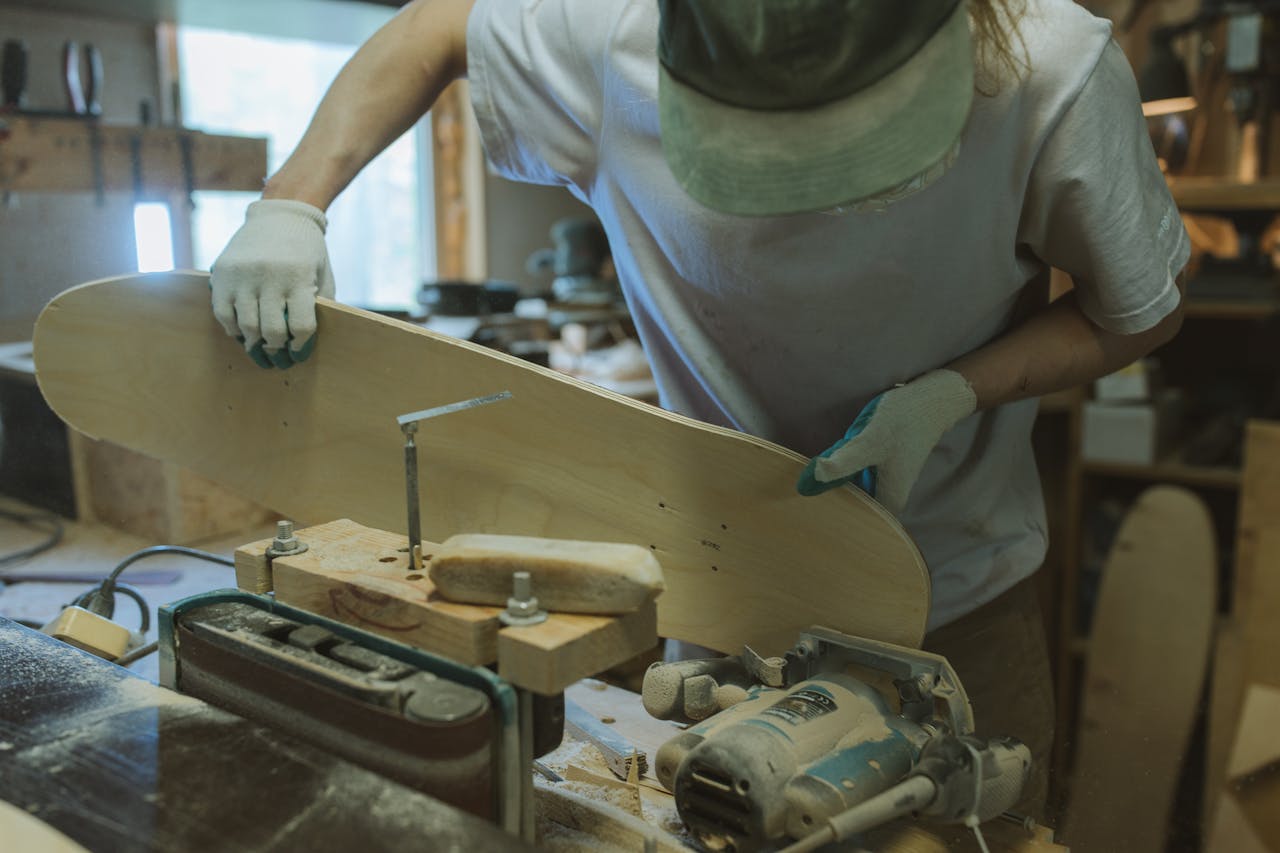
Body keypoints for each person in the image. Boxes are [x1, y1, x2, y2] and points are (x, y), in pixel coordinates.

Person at [208, 0, 1189, 819]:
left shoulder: (1049, 67)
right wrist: (292, 203)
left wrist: (955, 391)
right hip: (722, 600)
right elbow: (436, 26)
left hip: (954, 607)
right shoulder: (615, 32)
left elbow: (1136, 310)